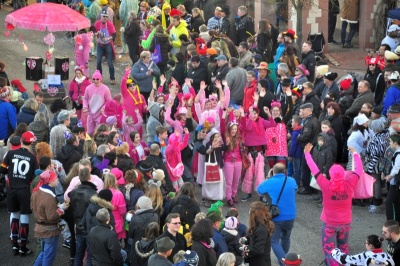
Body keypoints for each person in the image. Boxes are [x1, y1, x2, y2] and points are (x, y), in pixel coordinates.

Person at [304, 143, 362, 265]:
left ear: (330, 174)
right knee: (343, 248)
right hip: (345, 222)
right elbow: (359, 170)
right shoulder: (350, 183)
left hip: (329, 223)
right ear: (343, 174)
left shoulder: (325, 185)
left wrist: (307, 154)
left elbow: (314, 169)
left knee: (330, 250)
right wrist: (355, 153)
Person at [1, 131, 39, 255]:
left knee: (15, 216)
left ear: (21, 141)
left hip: (12, 189)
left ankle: (14, 245)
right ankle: (23, 247)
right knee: (24, 217)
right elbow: (36, 175)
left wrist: (12, 174)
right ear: (32, 142)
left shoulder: (10, 153)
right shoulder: (33, 157)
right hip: (24, 190)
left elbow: (2, 169)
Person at [257, 163, 298, 266]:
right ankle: (283, 258)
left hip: (277, 216)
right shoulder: (292, 181)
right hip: (291, 215)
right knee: (286, 238)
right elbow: (295, 188)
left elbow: (259, 189)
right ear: (285, 171)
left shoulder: (270, 182)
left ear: (273, 171)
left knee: (274, 241)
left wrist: (268, 177)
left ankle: (284, 262)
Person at [31, 170, 65, 266]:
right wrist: (62, 210)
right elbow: (52, 217)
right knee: (48, 258)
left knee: (43, 253)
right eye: (55, 178)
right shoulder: (49, 197)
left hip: (40, 227)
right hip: (50, 230)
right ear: (49, 181)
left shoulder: (36, 191)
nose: (57, 180)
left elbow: (33, 207)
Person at [68, 167, 98, 266]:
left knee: (79, 253)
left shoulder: (73, 192)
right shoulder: (93, 194)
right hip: (90, 227)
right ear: (89, 178)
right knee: (90, 254)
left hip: (79, 227)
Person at [242, 201, 274, 266]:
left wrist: (245, 248)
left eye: (250, 212)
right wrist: (246, 239)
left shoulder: (261, 229)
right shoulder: (257, 226)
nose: (249, 214)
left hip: (260, 263)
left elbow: (259, 250)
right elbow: (253, 238)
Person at [83, 70, 112, 136]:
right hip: (91, 114)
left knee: (98, 133)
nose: (95, 80)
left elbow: (109, 101)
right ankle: (90, 145)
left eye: (97, 79)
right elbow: (85, 99)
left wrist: (103, 108)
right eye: (94, 79)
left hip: (100, 114)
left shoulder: (105, 89)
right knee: (89, 132)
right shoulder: (88, 88)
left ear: (100, 79)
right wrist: (85, 106)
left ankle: (97, 145)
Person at [94, 9, 117, 84]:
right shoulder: (97, 23)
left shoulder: (110, 24)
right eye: (104, 16)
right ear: (100, 16)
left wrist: (107, 38)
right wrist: (96, 36)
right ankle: (99, 77)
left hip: (108, 44)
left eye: (106, 17)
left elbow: (114, 35)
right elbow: (93, 32)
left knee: (110, 62)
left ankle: (112, 78)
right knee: (98, 61)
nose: (105, 18)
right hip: (100, 45)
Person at [384, 134, 400, 222]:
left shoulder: (398, 154)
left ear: (395, 143)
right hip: (395, 182)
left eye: (391, 142)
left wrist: (389, 176)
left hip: (395, 183)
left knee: (389, 203)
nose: (390, 144)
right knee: (395, 203)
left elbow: (396, 168)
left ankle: (391, 223)